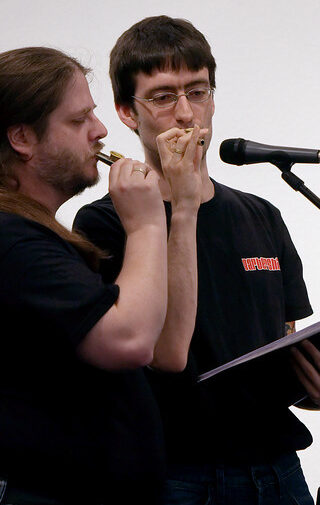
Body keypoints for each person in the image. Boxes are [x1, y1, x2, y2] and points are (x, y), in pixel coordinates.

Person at [73, 16, 320, 505]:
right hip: (174, 475)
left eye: (198, 92)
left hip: (277, 467)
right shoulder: (105, 223)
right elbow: (159, 355)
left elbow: (282, 348)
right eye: (162, 96)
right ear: (126, 112)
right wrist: (182, 205)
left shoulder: (261, 215)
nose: (185, 114)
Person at [0, 47, 171, 504]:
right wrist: (148, 224)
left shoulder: (30, 232)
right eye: (78, 121)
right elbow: (128, 341)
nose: (100, 132)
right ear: (22, 138)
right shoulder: (12, 238)